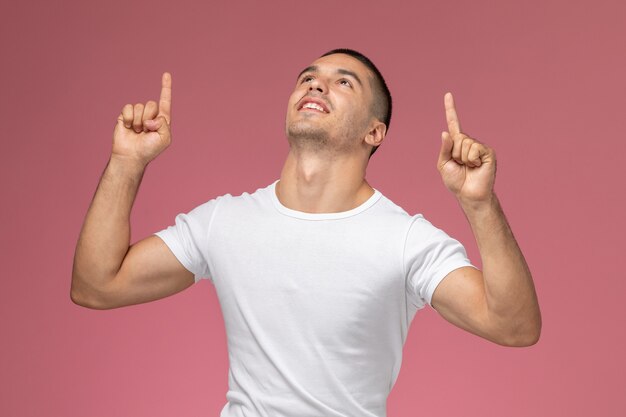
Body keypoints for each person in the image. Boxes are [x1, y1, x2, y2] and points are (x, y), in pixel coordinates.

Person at [71, 48, 541, 417]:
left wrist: (479, 205)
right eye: (308, 77)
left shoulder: (406, 241)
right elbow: (97, 284)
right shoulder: (225, 222)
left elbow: (514, 326)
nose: (317, 83)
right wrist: (126, 163)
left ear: (375, 133)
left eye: (343, 82)